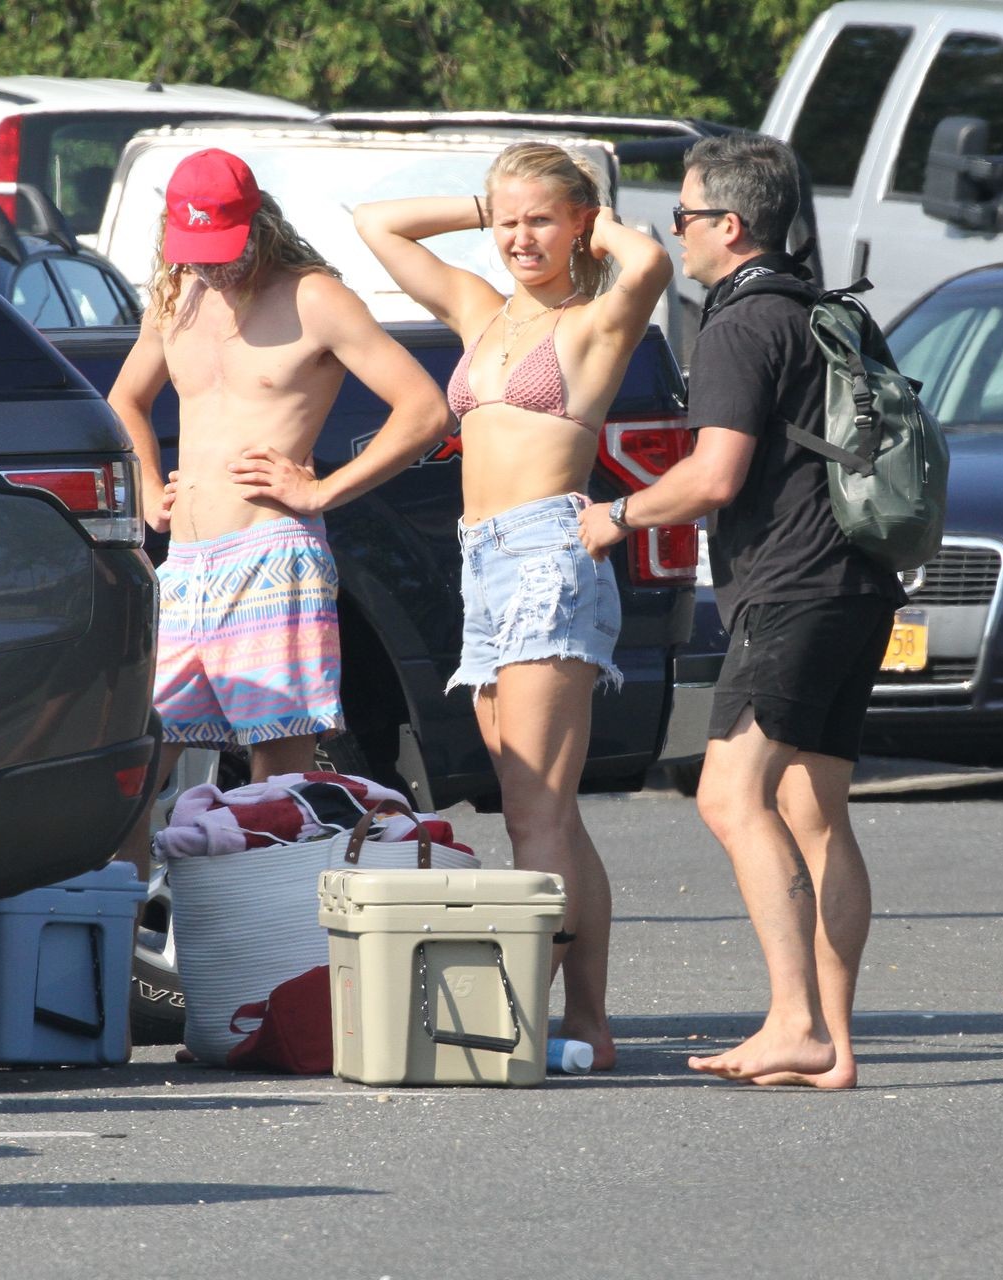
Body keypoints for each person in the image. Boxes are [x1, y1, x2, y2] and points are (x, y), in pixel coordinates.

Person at [313, 142, 670, 1069]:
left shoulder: (596, 318)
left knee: (534, 810)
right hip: (482, 563)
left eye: (540, 220)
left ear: (579, 224)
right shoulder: (480, 308)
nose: (520, 237)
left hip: (551, 554)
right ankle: (586, 1023)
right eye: (507, 222)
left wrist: (593, 220)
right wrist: (491, 207)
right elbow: (377, 225)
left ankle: (524, 1021)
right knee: (543, 811)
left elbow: (649, 262)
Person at [578, 133, 905, 1089]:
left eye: (684, 217)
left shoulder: (738, 325)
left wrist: (615, 517)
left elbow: (714, 476)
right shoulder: (827, 309)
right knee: (814, 810)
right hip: (859, 581)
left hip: (790, 589)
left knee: (730, 794)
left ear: (729, 225)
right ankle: (834, 1046)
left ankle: (795, 1024)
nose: (676, 233)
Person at [108, 148, 451, 872]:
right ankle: (127, 935)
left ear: (259, 222)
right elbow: (125, 399)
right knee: (139, 765)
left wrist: (323, 490)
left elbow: (425, 409)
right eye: (195, 249)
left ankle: (267, 932)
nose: (212, 267)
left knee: (276, 783)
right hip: (188, 568)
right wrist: (148, 489)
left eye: (223, 249)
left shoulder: (314, 297)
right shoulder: (177, 295)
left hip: (271, 557)